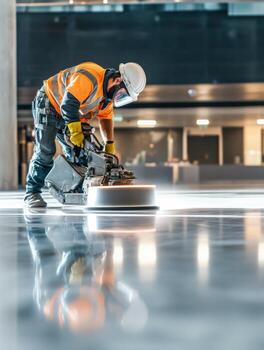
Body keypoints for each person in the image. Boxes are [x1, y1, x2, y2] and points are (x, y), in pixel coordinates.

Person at [24, 62, 146, 208]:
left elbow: (106, 119)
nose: (118, 98)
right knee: (46, 150)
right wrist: (76, 132)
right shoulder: (90, 77)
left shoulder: (106, 100)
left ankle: (73, 190)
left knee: (80, 153)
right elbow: (68, 104)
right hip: (48, 102)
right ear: (117, 81)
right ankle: (32, 193)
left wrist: (110, 145)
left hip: (68, 113)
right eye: (122, 94)